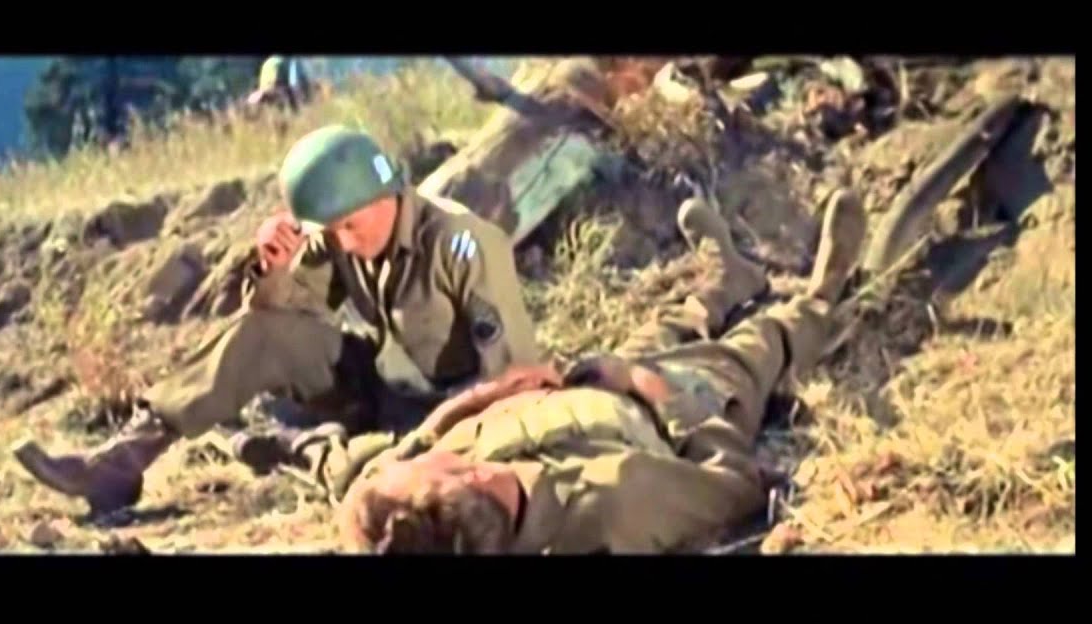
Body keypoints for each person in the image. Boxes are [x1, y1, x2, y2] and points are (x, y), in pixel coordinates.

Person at [12, 124, 541, 514]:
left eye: (350, 226)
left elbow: (514, 377)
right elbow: (272, 325)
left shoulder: (463, 244)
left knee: (376, 477)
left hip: (455, 408)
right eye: (331, 231)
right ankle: (118, 465)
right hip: (381, 386)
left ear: (386, 194)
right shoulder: (335, 233)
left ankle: (299, 448)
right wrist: (274, 266)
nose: (342, 243)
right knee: (264, 335)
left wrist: (446, 440)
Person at [334, 189, 866, 554]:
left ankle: (728, 279)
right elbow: (734, 485)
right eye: (422, 461)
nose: (416, 452)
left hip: (585, 387)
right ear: (477, 477)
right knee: (754, 346)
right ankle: (822, 299)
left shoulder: (425, 514)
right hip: (665, 405)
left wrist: (489, 394)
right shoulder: (614, 505)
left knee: (665, 326)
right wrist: (651, 389)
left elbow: (401, 460)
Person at [246, 56, 314, 112]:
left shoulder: (272, 61)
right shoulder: (285, 61)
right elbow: (292, 81)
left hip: (269, 86)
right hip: (274, 86)